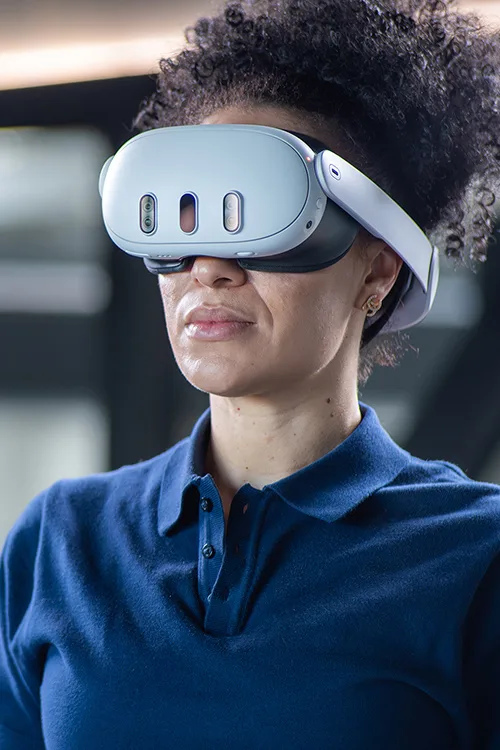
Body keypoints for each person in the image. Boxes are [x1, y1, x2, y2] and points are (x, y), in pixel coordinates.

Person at [2, 0, 500, 747]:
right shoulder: (60, 542)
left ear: (379, 267)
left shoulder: (478, 558)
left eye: (259, 217)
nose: (209, 267)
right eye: (183, 218)